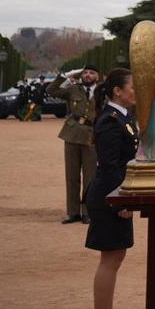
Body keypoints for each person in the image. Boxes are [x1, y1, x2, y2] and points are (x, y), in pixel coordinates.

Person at [84, 67, 138, 309]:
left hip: (115, 196)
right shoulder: (109, 120)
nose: (136, 90)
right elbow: (110, 167)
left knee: (116, 258)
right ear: (117, 90)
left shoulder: (123, 118)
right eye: (133, 86)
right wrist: (119, 201)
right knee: (109, 260)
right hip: (109, 197)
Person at [48, 65, 101, 224]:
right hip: (71, 134)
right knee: (71, 176)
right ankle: (73, 212)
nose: (87, 75)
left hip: (91, 135)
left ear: (97, 76)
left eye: (91, 73)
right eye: (85, 72)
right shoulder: (73, 89)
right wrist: (66, 75)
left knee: (90, 177)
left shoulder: (102, 92)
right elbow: (51, 90)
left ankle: (87, 212)